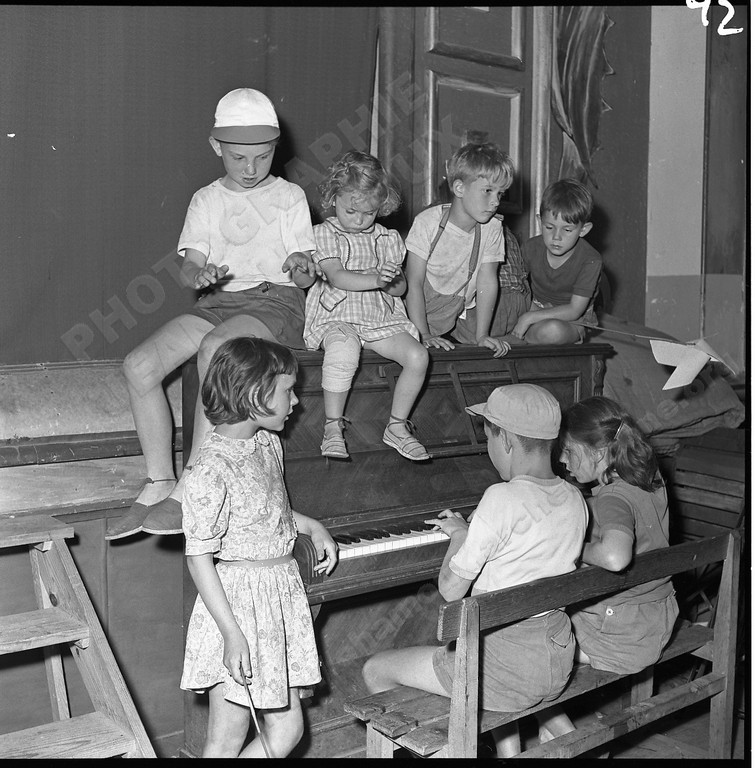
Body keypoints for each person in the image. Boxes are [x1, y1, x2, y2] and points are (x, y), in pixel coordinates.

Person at [109, 88, 318, 540]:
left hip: (276, 303)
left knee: (216, 348)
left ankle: (194, 483)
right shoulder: (205, 199)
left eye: (263, 156)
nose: (251, 168)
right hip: (220, 302)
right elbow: (189, 268)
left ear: (276, 147)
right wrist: (200, 273)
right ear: (216, 146)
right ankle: (158, 480)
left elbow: (305, 277)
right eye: (239, 157)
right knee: (138, 365)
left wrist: (303, 266)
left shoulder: (289, 196)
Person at [361, 384, 588, 757]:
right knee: (488, 643)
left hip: (503, 673)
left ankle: (449, 750)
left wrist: (460, 535)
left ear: (507, 440)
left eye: (488, 438)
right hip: (554, 660)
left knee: (375, 669)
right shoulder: (574, 497)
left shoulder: (501, 497)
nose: (488, 448)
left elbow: (451, 590)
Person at [180, 337, 338, 758]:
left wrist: (313, 526)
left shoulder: (267, 443)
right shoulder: (210, 469)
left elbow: (271, 511)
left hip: (277, 600)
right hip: (239, 608)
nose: (296, 401)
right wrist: (231, 633)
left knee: (285, 730)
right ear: (254, 396)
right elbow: (198, 558)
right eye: (288, 390)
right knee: (228, 738)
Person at [534, 395, 680, 746]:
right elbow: (626, 514)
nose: (562, 460)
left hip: (622, 637)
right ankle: (549, 735)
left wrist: (570, 542)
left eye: (569, 451)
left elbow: (615, 557)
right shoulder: (650, 480)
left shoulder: (613, 497)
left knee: (523, 650)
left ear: (599, 453)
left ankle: (575, 740)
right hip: (656, 619)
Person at [304, 151, 430, 461]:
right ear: (333, 197)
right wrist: (375, 277)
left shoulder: (387, 239)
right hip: (338, 315)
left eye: (369, 213)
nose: (359, 220)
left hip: (379, 316)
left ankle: (397, 425)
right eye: (351, 210)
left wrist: (390, 280)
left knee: (418, 356)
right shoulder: (324, 234)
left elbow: (401, 288)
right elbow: (337, 276)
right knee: (343, 349)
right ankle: (332, 426)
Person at [404, 141, 518, 359]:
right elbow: (414, 282)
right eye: (488, 191)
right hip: (410, 312)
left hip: (452, 315)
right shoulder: (427, 222)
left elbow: (487, 281)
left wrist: (482, 335)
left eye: (500, 194)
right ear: (459, 188)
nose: (495, 202)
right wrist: (423, 333)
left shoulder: (493, 227)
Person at [512, 178, 602, 345]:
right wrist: (531, 311)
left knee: (553, 331)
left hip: (569, 320)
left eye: (567, 230)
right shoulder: (530, 248)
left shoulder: (591, 260)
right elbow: (516, 290)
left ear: (583, 230)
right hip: (532, 307)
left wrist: (529, 318)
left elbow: (574, 310)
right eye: (549, 227)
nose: (556, 237)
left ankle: (521, 338)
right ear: (540, 222)